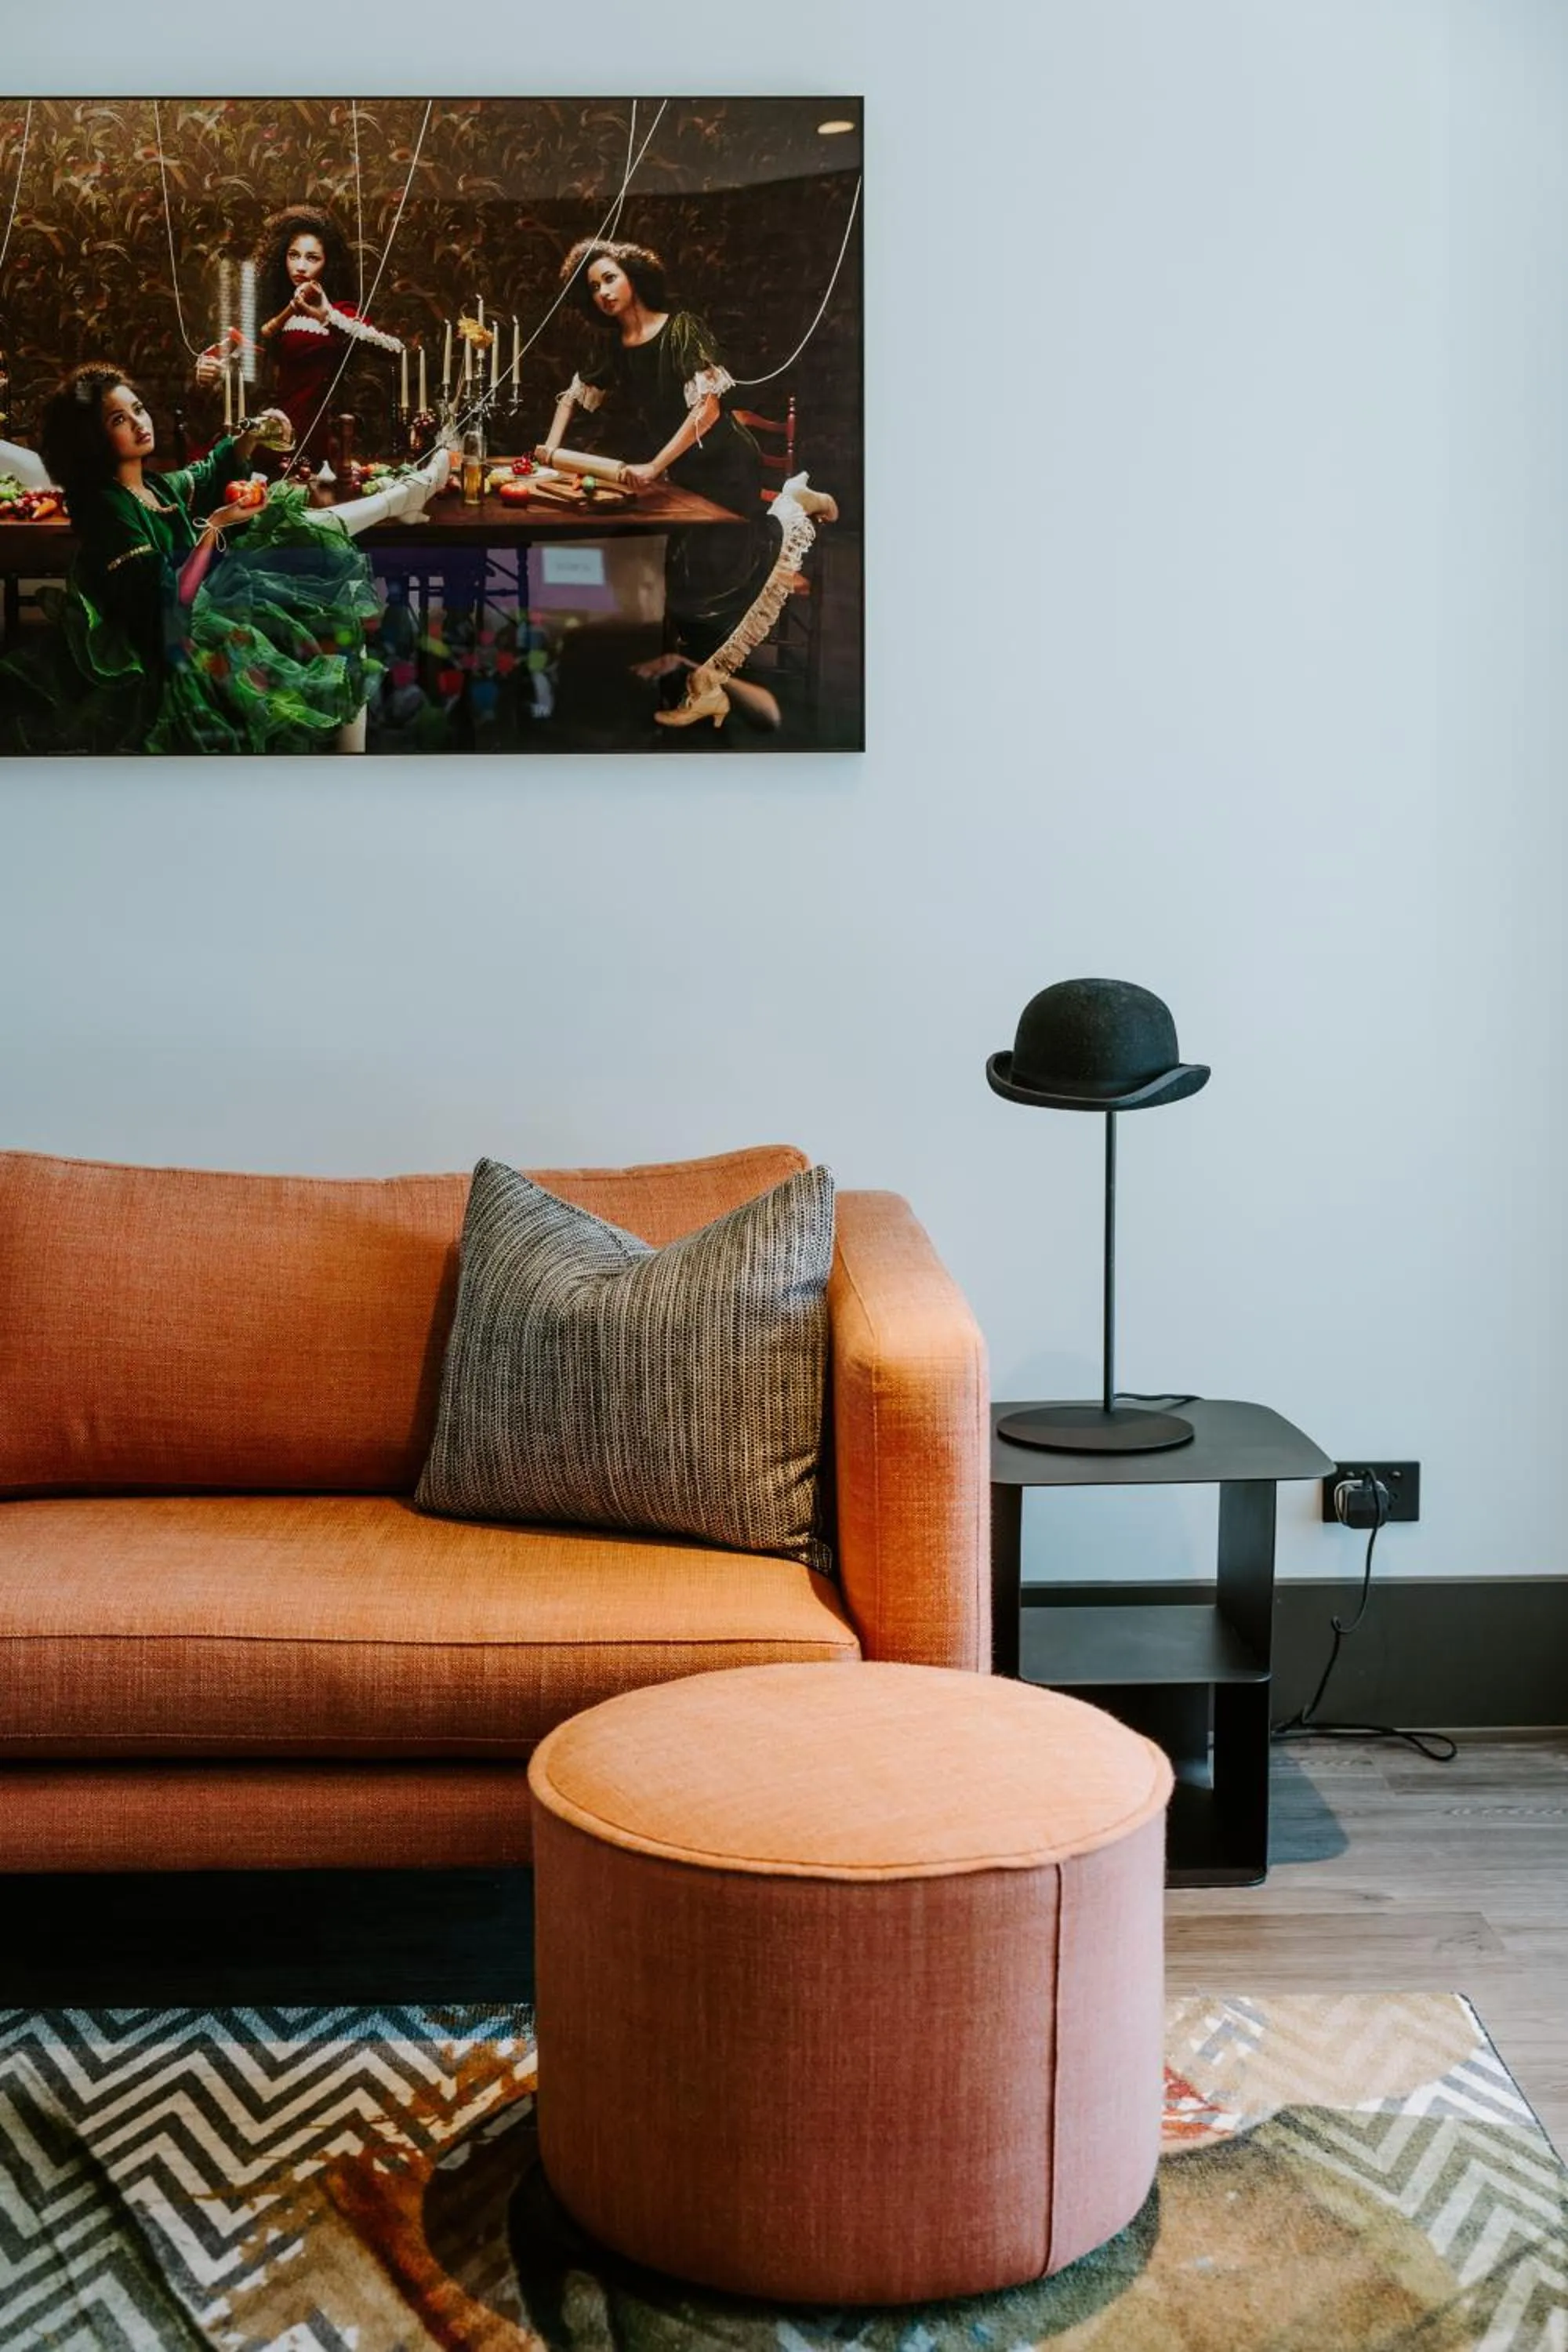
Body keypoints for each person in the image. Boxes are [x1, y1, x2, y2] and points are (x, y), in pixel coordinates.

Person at [0, 361, 445, 756]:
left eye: (137, 408)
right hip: (167, 647)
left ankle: (400, 498)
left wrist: (251, 434)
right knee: (323, 624)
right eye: (119, 419)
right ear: (93, 439)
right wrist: (213, 527)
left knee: (309, 564)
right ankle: (403, 497)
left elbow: (205, 474)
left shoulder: (148, 485)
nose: (140, 423)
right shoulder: (108, 506)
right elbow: (169, 610)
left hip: (195, 610)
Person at [543, 238, 838, 730]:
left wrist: (655, 466)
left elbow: (708, 408)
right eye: (593, 287)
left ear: (635, 275)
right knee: (679, 572)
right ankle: (706, 688)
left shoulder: (682, 329)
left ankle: (793, 505)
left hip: (723, 462)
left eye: (610, 278)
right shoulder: (613, 346)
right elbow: (572, 397)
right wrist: (548, 454)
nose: (603, 292)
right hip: (683, 470)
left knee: (720, 568)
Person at [250, 205, 401, 468]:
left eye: (312, 258)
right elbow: (263, 367)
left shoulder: (342, 312)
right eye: (293, 255)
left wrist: (326, 315)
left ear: (328, 263)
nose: (299, 266)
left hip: (323, 432)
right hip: (279, 428)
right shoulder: (282, 312)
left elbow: (392, 350)